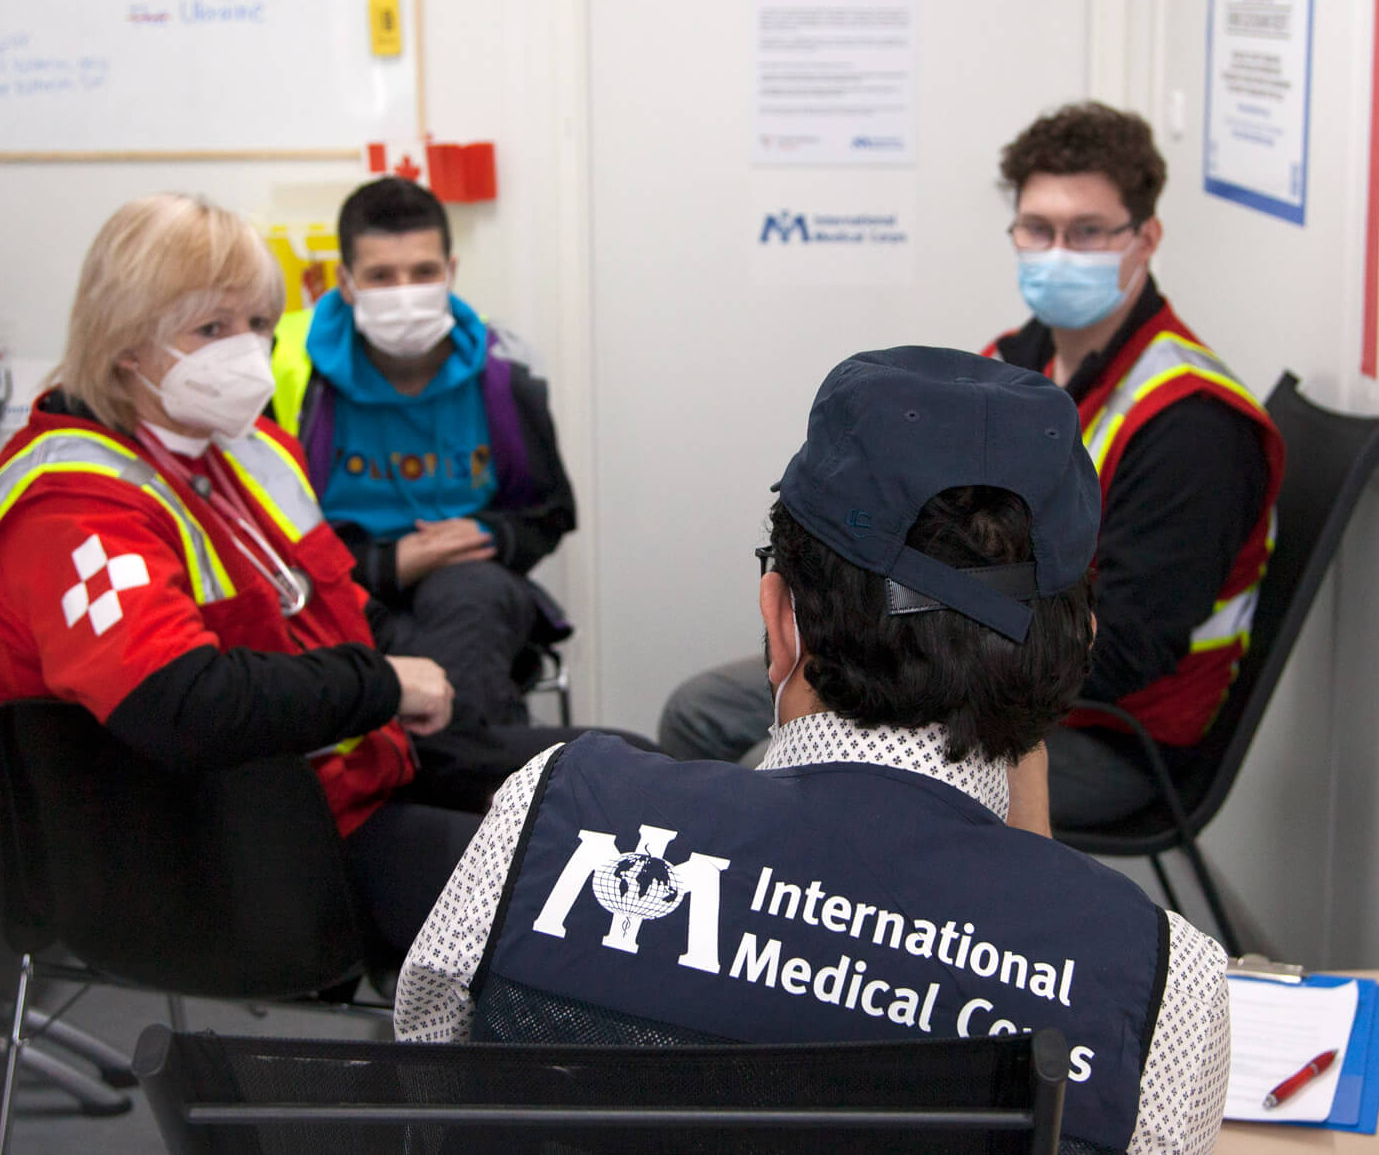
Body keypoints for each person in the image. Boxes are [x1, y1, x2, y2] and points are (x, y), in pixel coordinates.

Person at [397, 348, 1230, 1155]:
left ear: (777, 616)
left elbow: (431, 1095)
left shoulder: (555, 819)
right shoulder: (1160, 986)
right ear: (1075, 646)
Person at [657, 102, 1284, 829]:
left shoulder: (1193, 427)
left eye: (1086, 232)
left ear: (1145, 238)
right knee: (701, 714)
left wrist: (919, 677)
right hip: (949, 658)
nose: (1057, 251)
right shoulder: (1015, 364)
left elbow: (1125, 649)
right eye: (1037, 229)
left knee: (770, 776)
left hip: (1101, 730)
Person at [0, 193, 476, 962]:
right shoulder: (70, 511)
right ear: (127, 343)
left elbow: (337, 609)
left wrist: (414, 684)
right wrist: (380, 684)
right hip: (235, 854)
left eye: (258, 324)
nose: (248, 352)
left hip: (348, 775)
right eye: (212, 328)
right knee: (566, 893)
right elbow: (181, 707)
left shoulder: (246, 450)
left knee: (599, 769)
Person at [271, 175, 576, 737]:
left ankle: (432, 777)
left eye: (423, 273)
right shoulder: (287, 370)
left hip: (471, 586)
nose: (404, 292)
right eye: (381, 277)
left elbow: (551, 513)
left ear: (451, 273)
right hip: (338, 584)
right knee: (384, 639)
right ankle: (490, 791)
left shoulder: (504, 374)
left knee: (471, 601)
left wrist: (489, 536)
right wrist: (386, 564)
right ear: (344, 282)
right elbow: (261, 540)